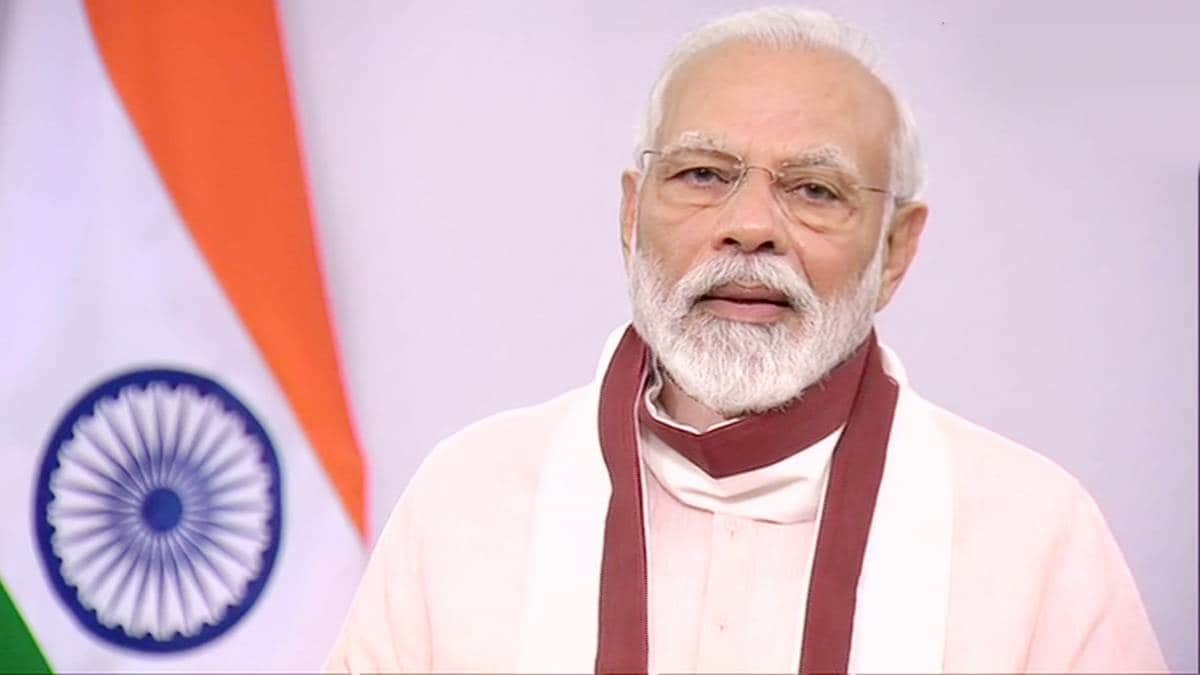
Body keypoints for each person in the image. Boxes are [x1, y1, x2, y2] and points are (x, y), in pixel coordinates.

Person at [324, 6, 1166, 673]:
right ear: (630, 212)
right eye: (703, 174)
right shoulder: (467, 498)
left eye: (814, 188)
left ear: (896, 249)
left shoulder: (1036, 536)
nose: (751, 227)